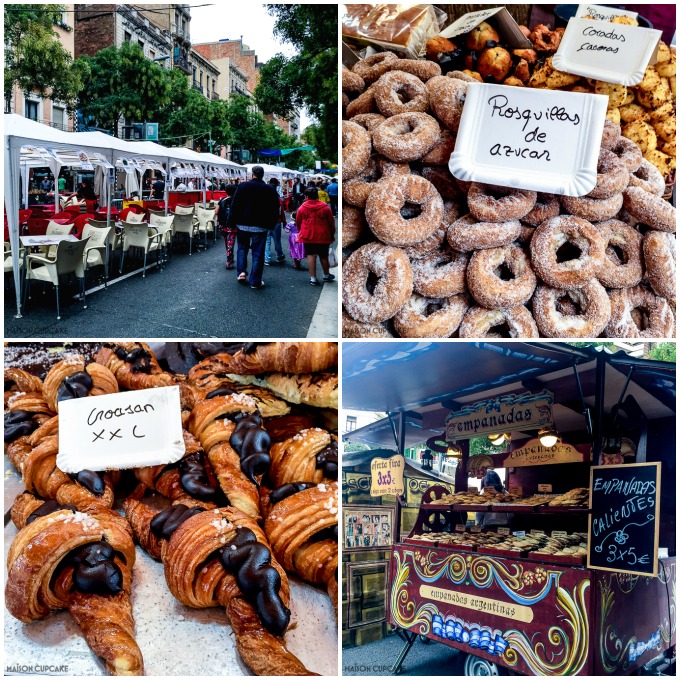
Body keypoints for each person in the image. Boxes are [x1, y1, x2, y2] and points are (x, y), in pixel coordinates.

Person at [227, 165, 281, 289]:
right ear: (262, 175)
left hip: (242, 224)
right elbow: (275, 208)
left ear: (252, 174)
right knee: (258, 253)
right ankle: (255, 281)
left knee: (242, 248)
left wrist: (230, 222)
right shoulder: (269, 189)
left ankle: (241, 272)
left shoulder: (242, 186)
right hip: (260, 225)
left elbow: (234, 205)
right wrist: (271, 224)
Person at [296, 186, 335, 286]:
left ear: (307, 196)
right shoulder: (325, 207)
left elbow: (298, 222)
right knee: (323, 256)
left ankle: (313, 278)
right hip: (323, 235)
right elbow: (331, 223)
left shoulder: (302, 208)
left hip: (308, 235)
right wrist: (332, 234)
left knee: (311, 255)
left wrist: (301, 232)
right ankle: (326, 275)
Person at [265, 178, 286, 266]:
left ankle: (267, 259)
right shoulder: (278, 200)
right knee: (277, 240)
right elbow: (281, 212)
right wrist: (284, 222)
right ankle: (279, 256)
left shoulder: (263, 199)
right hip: (276, 222)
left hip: (265, 222)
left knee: (267, 240)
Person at [217, 184, 237, 269]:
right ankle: (229, 261)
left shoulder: (222, 200)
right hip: (232, 225)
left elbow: (216, 211)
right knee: (231, 242)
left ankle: (230, 256)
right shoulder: (236, 200)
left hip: (223, 224)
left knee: (226, 241)